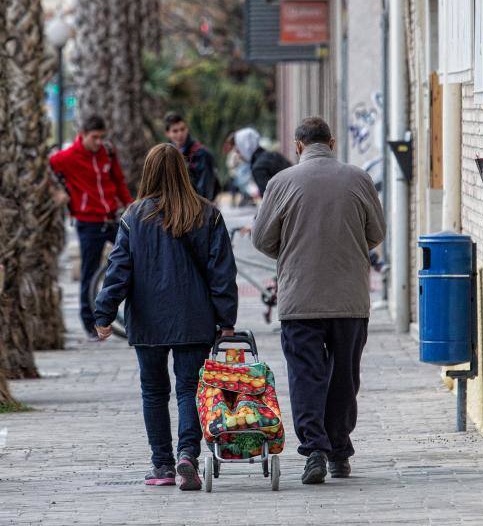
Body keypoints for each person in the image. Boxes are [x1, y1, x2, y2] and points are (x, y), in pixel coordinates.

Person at [94, 143, 238, 491]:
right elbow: (222, 273)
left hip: (148, 320)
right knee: (190, 389)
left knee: (154, 391)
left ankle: (161, 464)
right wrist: (226, 319)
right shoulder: (207, 214)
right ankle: (187, 454)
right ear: (183, 171)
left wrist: (104, 312)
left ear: (149, 173)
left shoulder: (133, 218)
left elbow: (118, 270)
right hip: (194, 319)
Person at [252, 116, 386, 485]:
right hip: (349, 299)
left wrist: (293, 247)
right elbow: (377, 232)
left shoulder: (281, 182)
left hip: (300, 298)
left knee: (305, 375)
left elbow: (262, 239)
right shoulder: (358, 178)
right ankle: (340, 451)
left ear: (298, 145)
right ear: (332, 142)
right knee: (344, 376)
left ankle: (314, 449)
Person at [49, 114, 132, 340]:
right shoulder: (67, 157)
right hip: (88, 222)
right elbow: (46, 169)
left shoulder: (107, 152)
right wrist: (58, 192)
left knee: (135, 256)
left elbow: (119, 181)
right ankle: (90, 324)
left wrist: (132, 208)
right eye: (94, 137)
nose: (98, 142)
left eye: (101, 137)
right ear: (83, 135)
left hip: (111, 218)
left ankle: (133, 315)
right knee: (89, 271)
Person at [165, 113, 219, 201]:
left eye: (182, 129)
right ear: (167, 133)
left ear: (187, 129)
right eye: (175, 131)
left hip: (196, 205)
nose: (180, 134)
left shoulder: (201, 153)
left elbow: (206, 189)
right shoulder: (165, 155)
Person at [234, 127, 291, 197]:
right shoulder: (274, 155)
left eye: (238, 150)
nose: (238, 156)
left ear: (245, 147)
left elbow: (269, 200)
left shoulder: (258, 168)